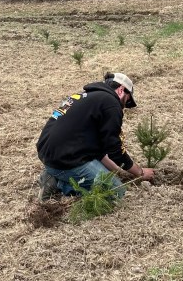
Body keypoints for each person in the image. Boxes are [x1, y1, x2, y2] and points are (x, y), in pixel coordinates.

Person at [36, 71, 155, 201]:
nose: (124, 107)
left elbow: (100, 153)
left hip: (48, 153)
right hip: (67, 159)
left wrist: (121, 172)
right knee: (116, 192)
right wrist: (140, 173)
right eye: (127, 101)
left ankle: (54, 173)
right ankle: (58, 184)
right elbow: (115, 150)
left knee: (108, 178)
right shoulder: (111, 103)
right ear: (121, 90)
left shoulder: (86, 97)